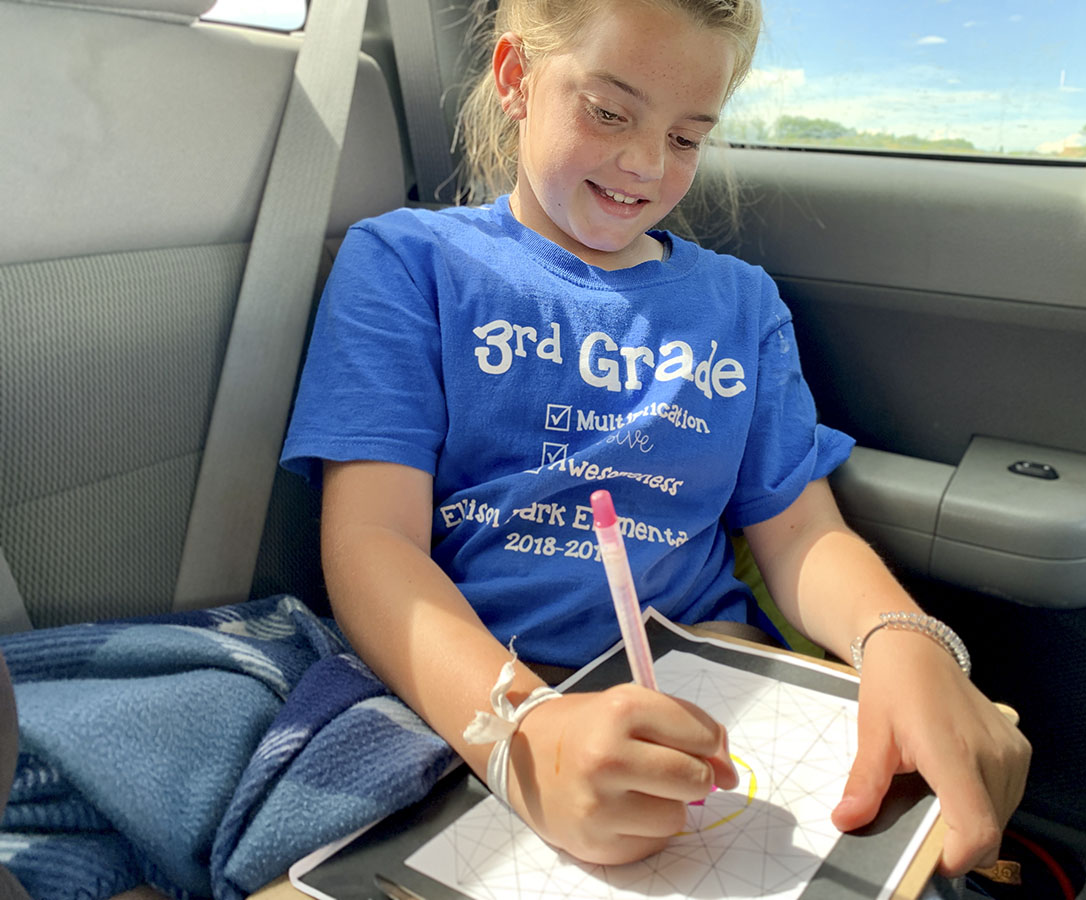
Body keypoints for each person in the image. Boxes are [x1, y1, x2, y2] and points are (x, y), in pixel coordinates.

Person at [280, 0, 1030, 878]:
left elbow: (799, 532)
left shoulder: (741, 305)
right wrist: (523, 730)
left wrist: (897, 634)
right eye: (609, 112)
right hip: (486, 699)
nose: (644, 164)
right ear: (518, 78)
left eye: (686, 138)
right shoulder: (412, 262)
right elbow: (372, 541)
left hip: (714, 696)